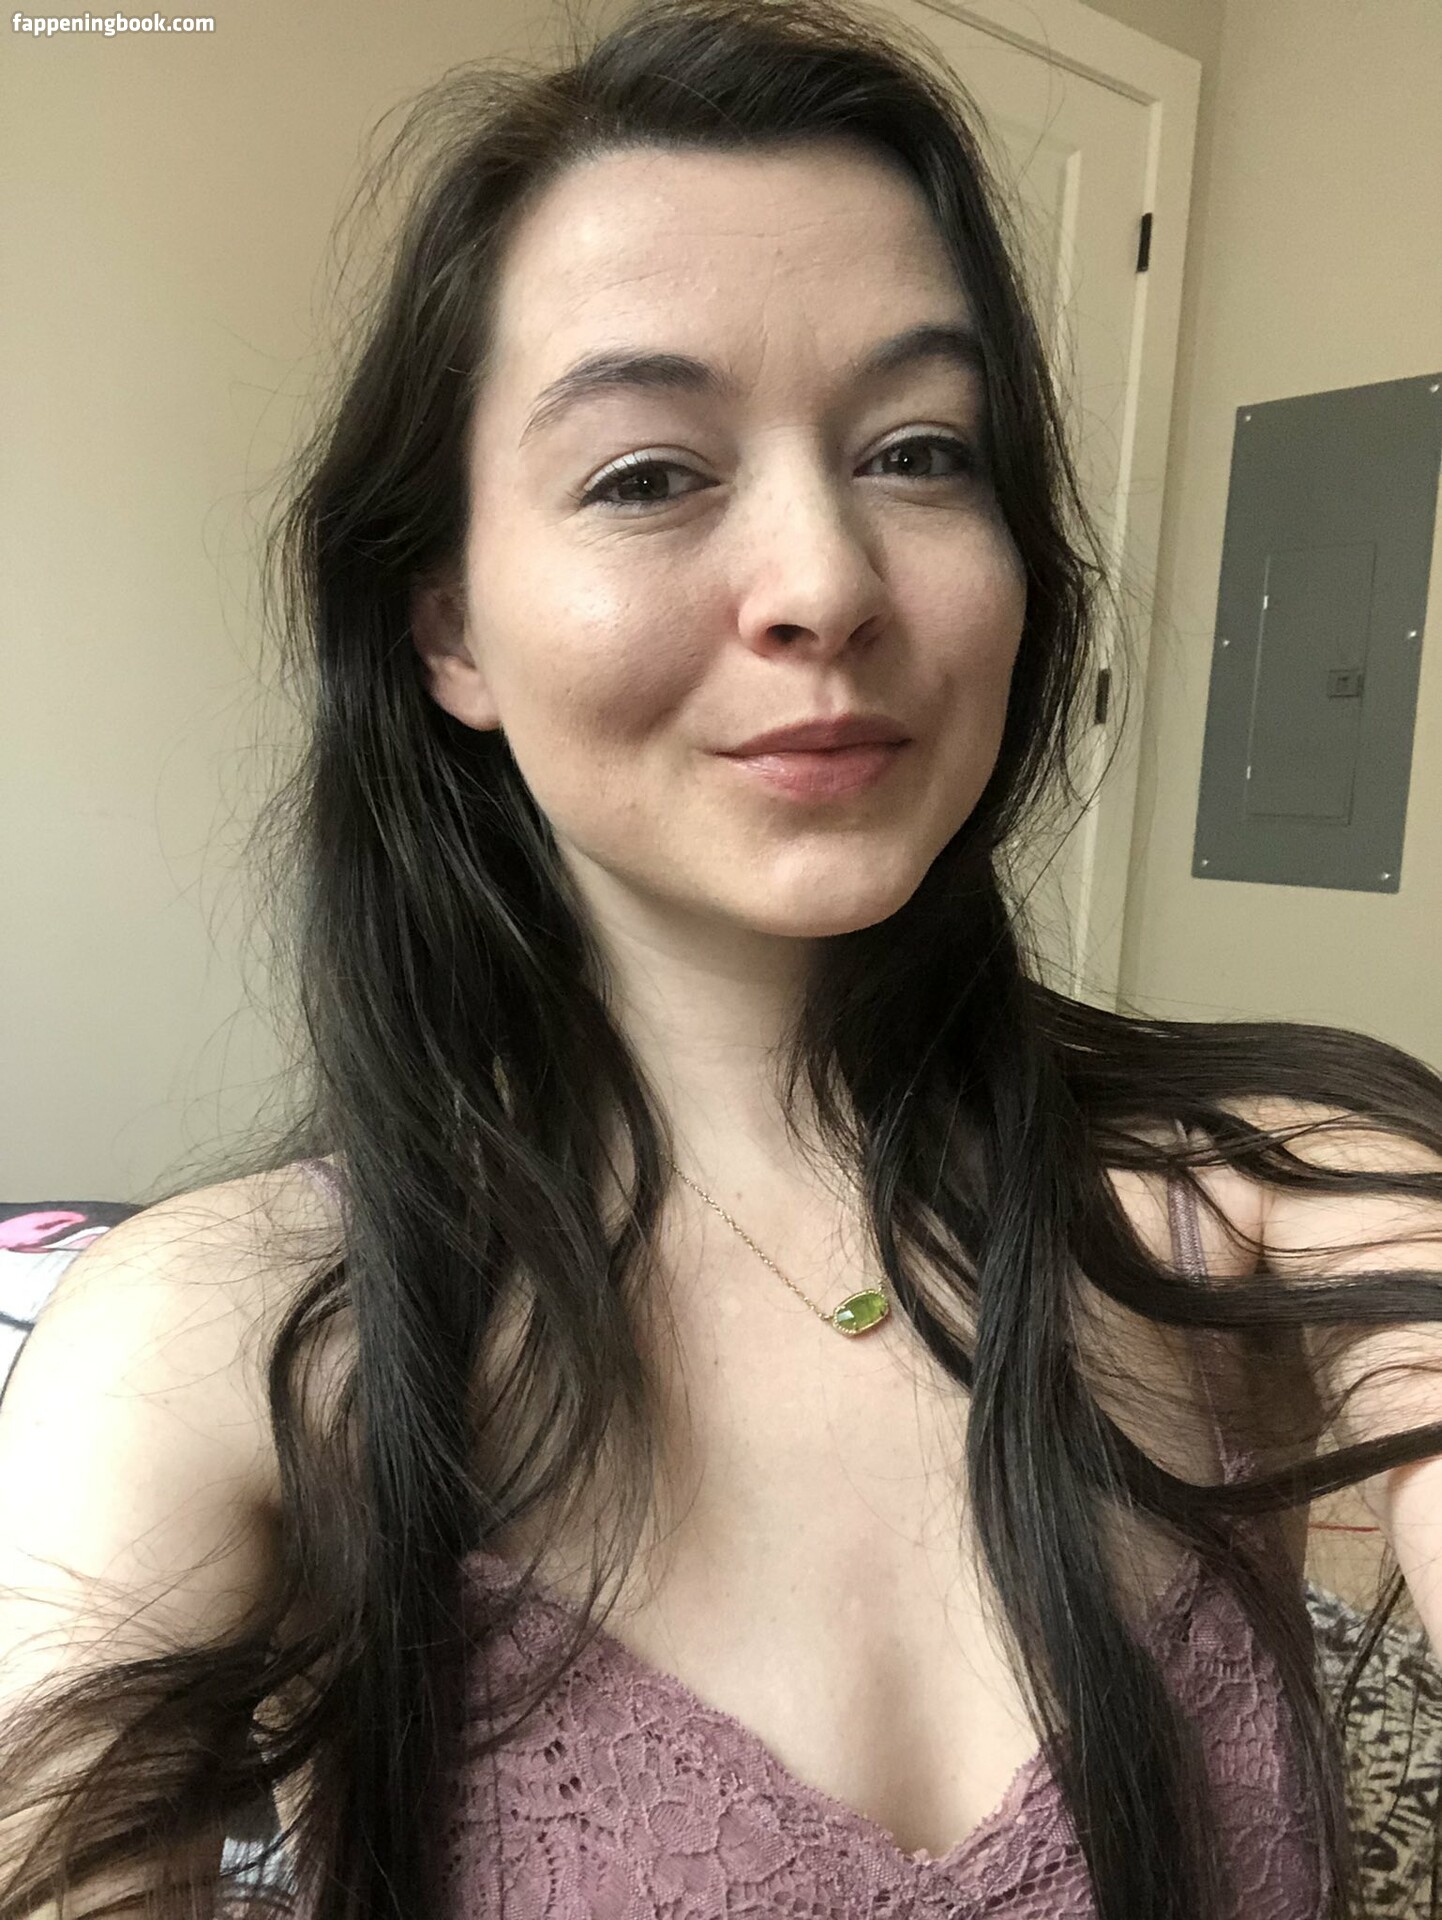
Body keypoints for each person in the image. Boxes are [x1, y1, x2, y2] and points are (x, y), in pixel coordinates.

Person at [3, 0, 1442, 1915]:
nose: (828, 583)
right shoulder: (224, 1335)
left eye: (919, 451)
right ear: (447, 627)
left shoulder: (1271, 1188)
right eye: (646, 474)